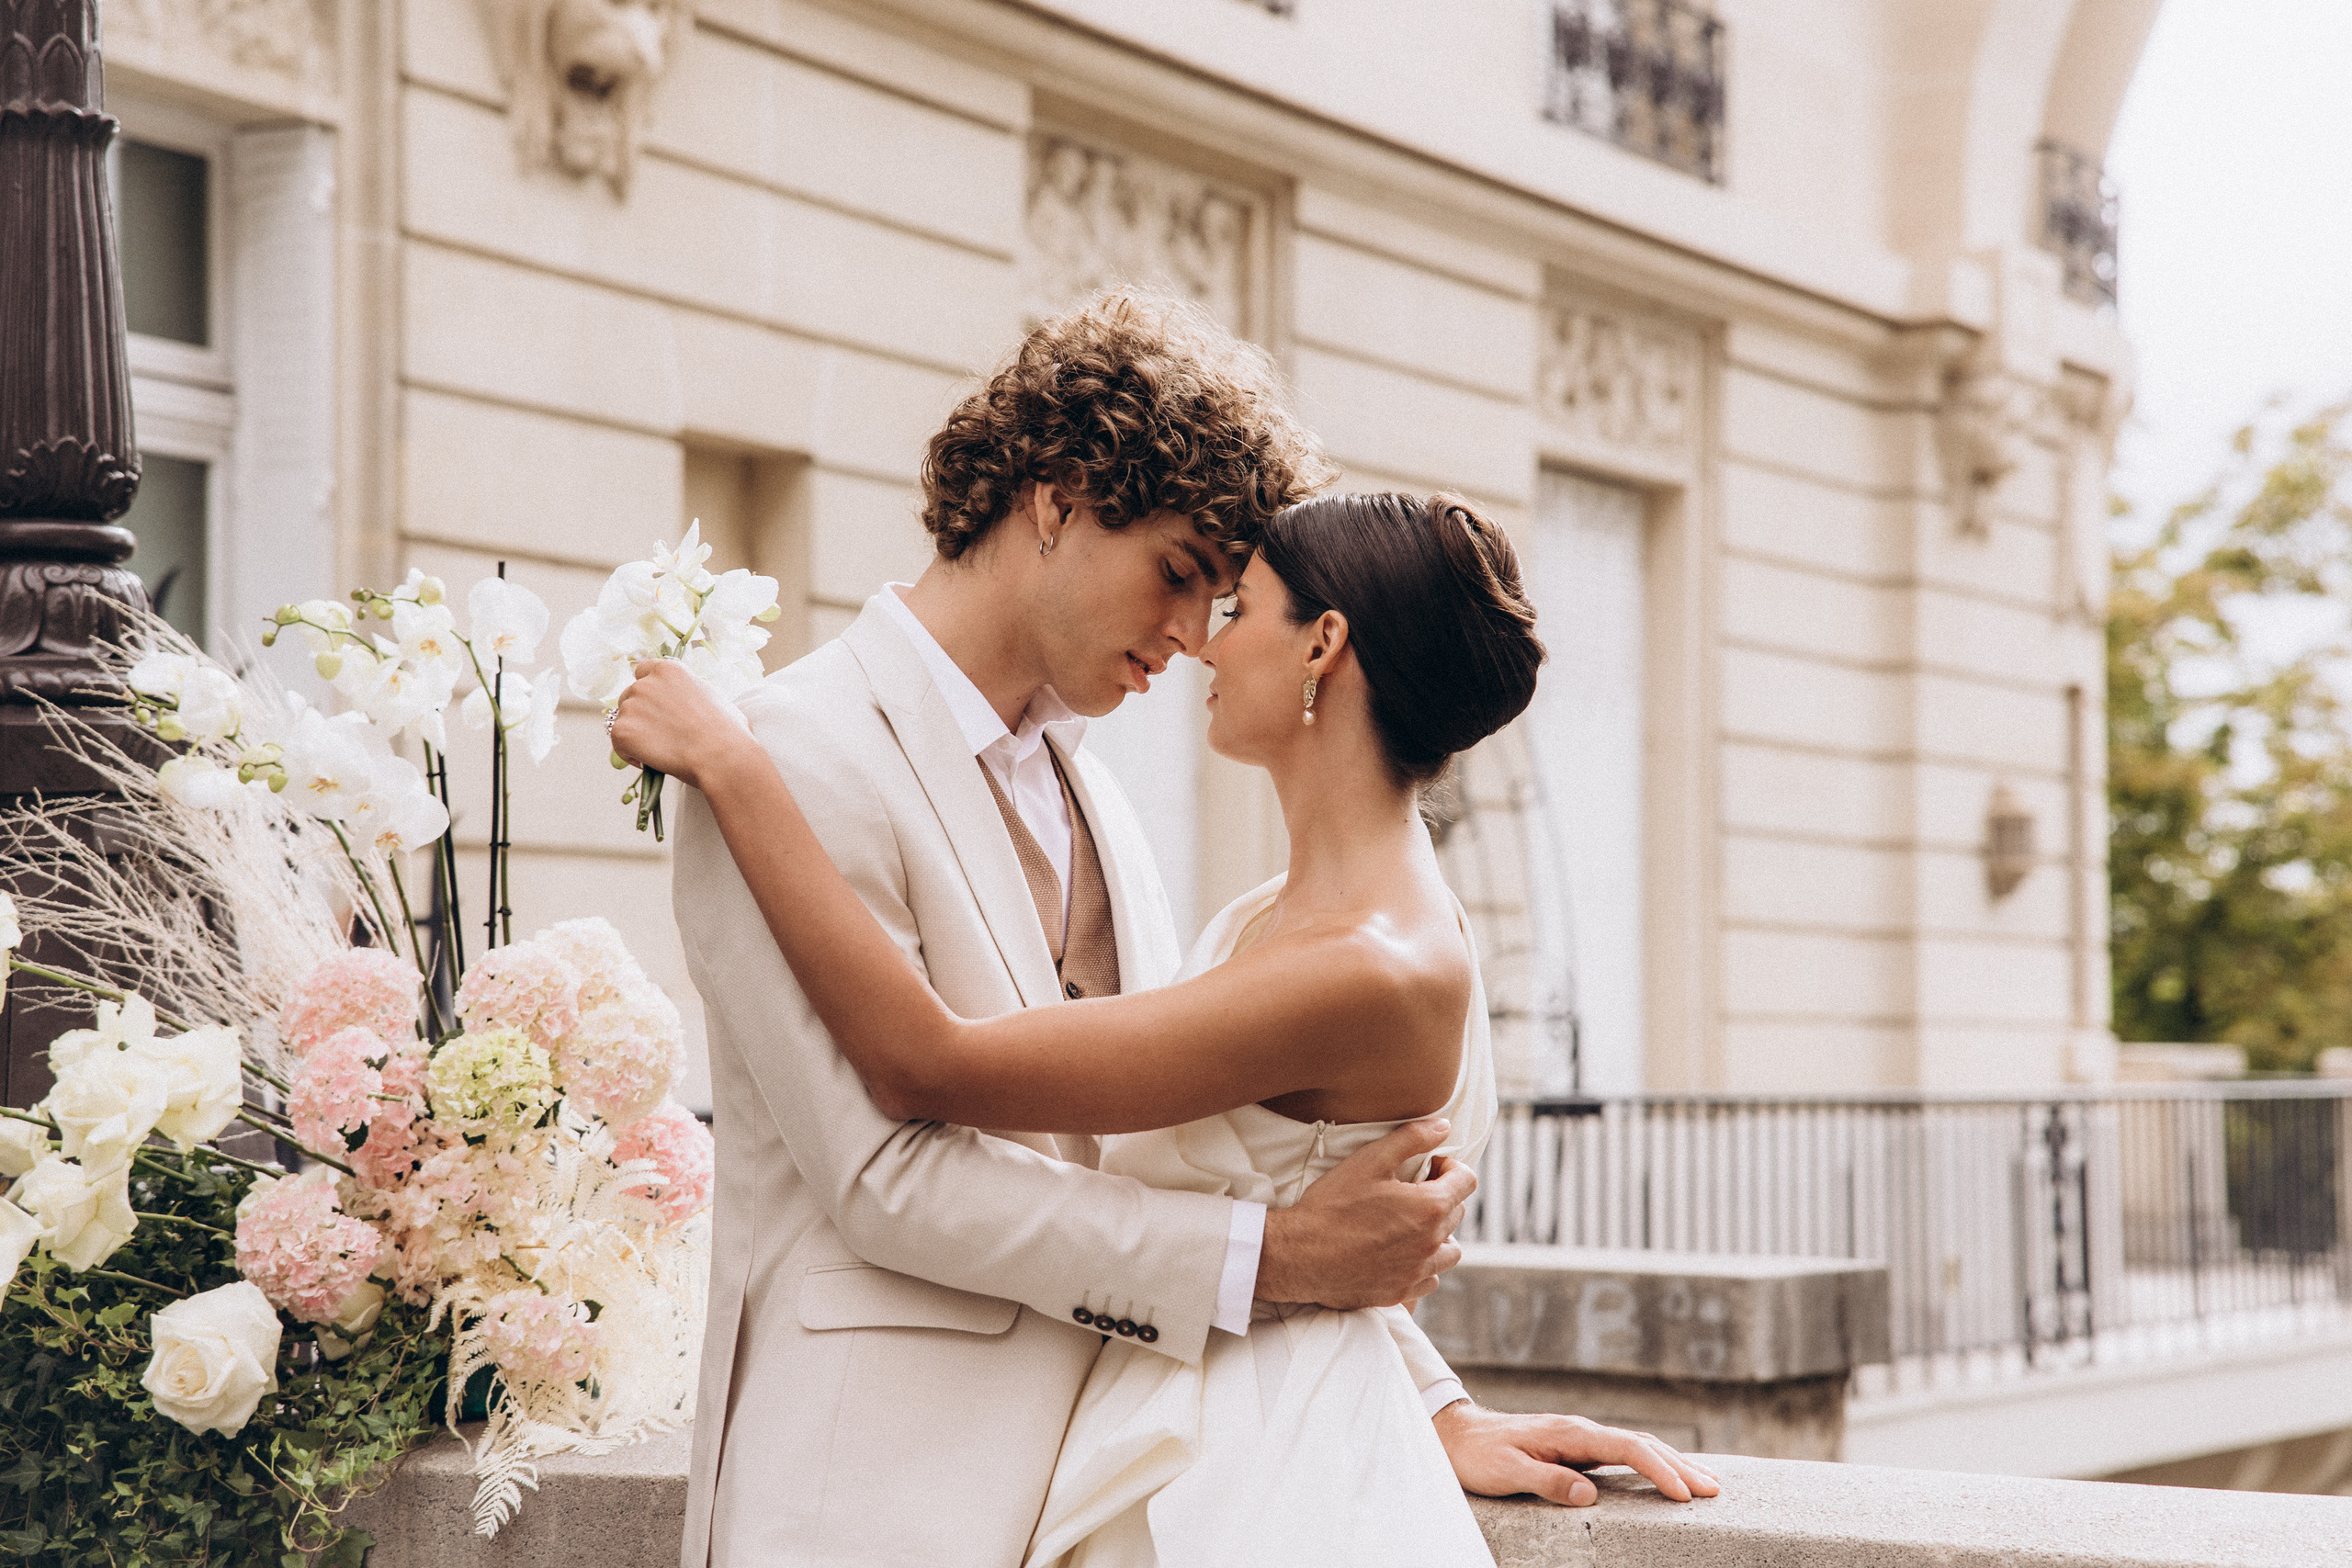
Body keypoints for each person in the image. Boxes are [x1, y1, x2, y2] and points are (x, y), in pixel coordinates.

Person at [621, 461, 1721, 1560]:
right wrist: (1416, 1386)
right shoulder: (1286, 910)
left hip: (1224, 1463)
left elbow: (931, 1065)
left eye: (1234, 603)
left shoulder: (1353, 954)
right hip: (887, 1483)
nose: (1200, 634)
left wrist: (734, 766)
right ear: (1054, 504)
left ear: (1323, 647)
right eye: (1184, 577)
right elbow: (1275, 1189)